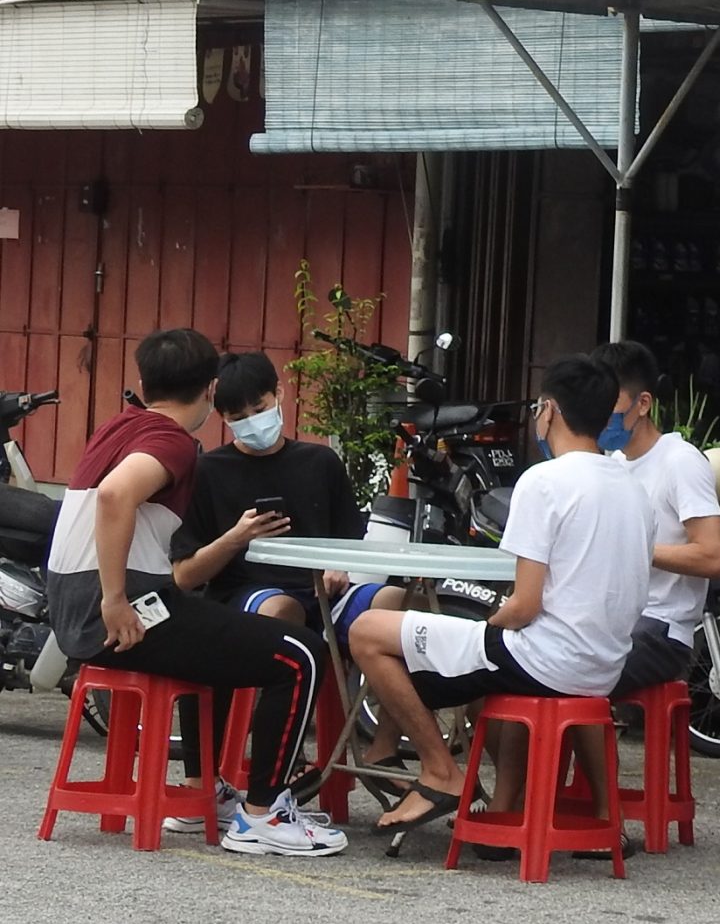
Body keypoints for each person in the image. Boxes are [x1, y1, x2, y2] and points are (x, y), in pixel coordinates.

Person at [45, 328, 340, 857]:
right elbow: (116, 495)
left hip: (75, 613)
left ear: (141, 382)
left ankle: (207, 790)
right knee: (302, 656)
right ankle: (263, 815)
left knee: (218, 631)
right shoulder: (171, 440)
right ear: (211, 390)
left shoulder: (118, 426)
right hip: (122, 614)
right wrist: (114, 600)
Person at [354, 355, 652, 838]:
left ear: (549, 410)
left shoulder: (544, 481)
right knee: (475, 663)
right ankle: (507, 806)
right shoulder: (633, 487)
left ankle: (439, 772)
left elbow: (525, 605)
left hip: (546, 659)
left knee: (369, 630)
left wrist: (484, 628)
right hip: (605, 664)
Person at [178, 351, 364, 630]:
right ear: (223, 418)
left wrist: (338, 566)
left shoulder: (321, 461)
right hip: (247, 593)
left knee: (393, 602)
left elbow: (351, 540)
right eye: (239, 417)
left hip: (323, 591)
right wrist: (237, 538)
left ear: (278, 393)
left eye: (259, 409)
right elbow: (183, 576)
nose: (252, 421)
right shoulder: (206, 472)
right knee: (281, 610)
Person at [593, 341, 720, 699]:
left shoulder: (680, 461)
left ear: (643, 403)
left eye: (612, 406)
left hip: (662, 629)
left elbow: (713, 557)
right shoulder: (611, 464)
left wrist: (636, 549)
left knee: (570, 673)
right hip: (614, 620)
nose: (603, 416)